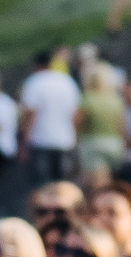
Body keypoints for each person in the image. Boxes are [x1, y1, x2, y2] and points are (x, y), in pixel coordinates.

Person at [19, 49, 83, 185]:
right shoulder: (68, 82)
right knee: (62, 184)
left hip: (40, 140)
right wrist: (75, 137)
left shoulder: (34, 81)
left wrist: (24, 142)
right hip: (65, 140)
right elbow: (76, 114)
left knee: (42, 185)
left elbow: (31, 114)